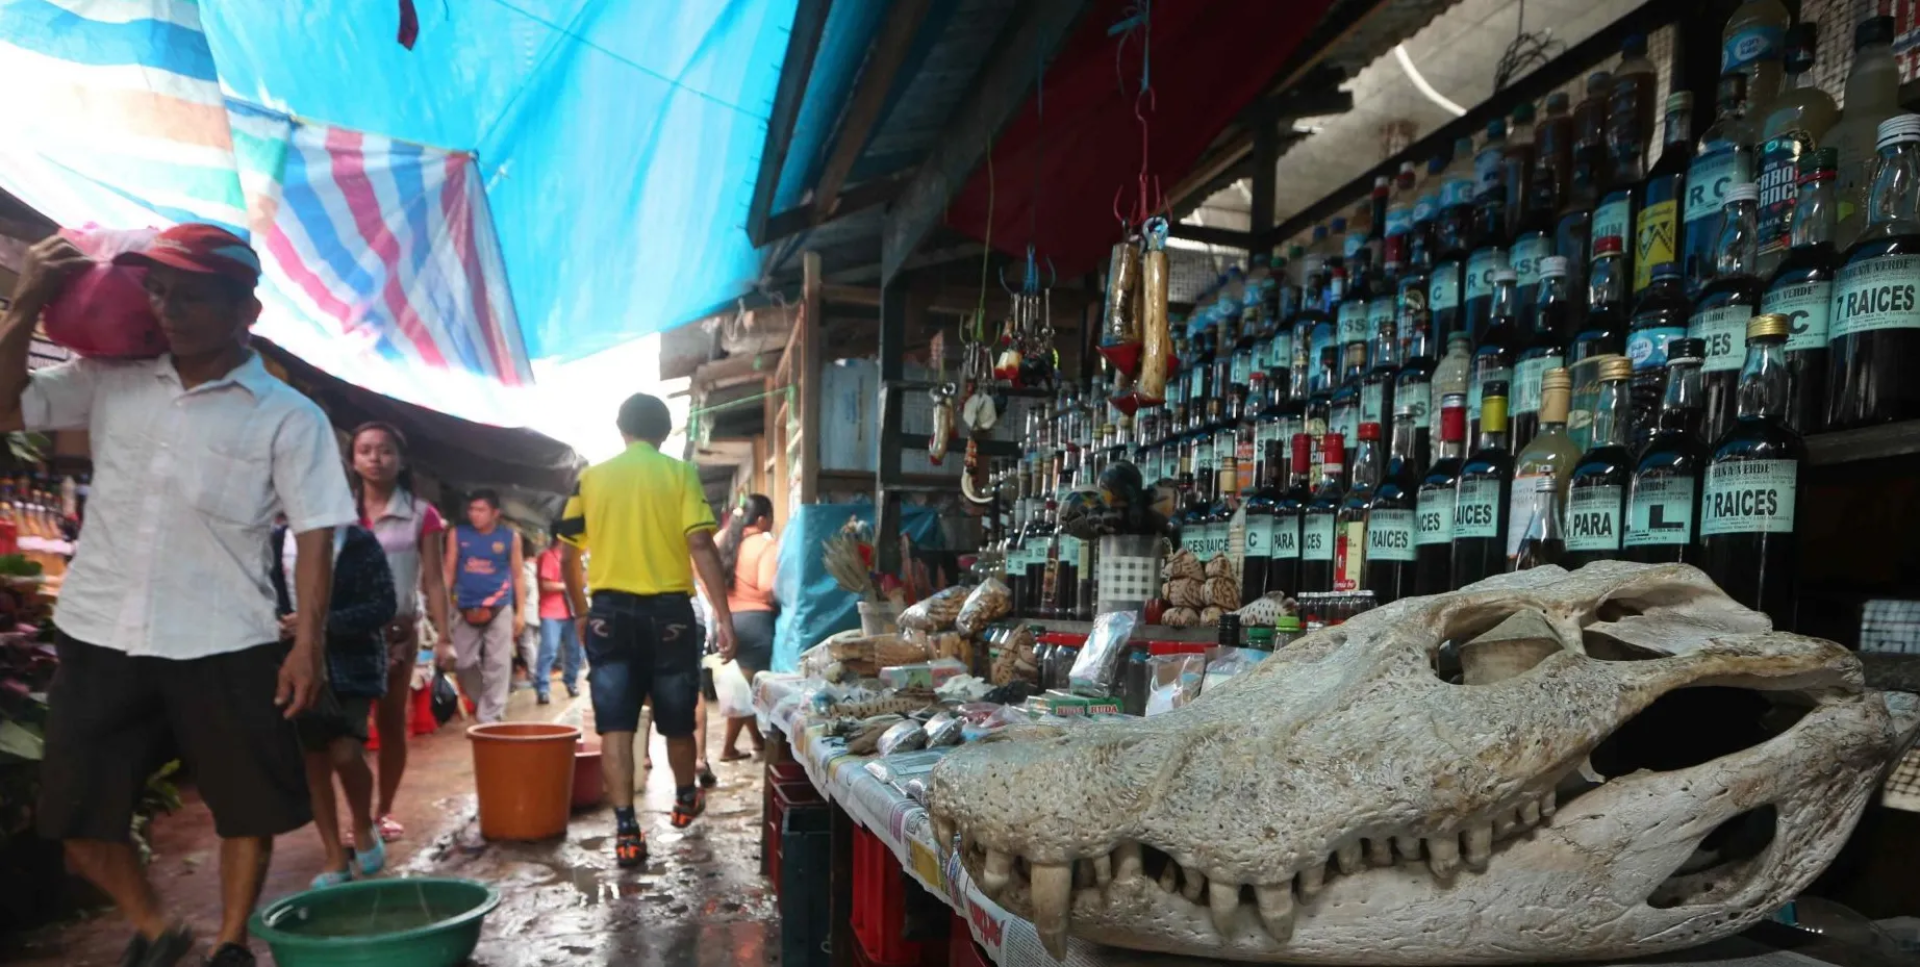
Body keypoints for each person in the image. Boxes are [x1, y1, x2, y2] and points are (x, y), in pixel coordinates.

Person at [2, 225, 358, 967]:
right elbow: (5, 409)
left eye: (191, 295)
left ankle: (230, 940)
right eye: (159, 291)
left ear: (246, 311)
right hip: (100, 628)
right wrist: (27, 301)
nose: (168, 309)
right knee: (73, 811)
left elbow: (319, 532)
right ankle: (158, 925)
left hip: (224, 634)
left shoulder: (289, 416)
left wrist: (308, 641)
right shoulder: (108, 377)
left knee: (244, 806)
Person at [557, 393, 734, 869]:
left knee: (615, 724)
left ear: (622, 430)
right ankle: (683, 796)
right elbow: (699, 542)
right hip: (670, 616)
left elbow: (568, 554)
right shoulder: (679, 474)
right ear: (664, 433)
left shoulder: (591, 480)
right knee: (678, 718)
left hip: (609, 615)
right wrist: (724, 615)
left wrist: (579, 611)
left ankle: (626, 830)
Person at [271, 519, 396, 888]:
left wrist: (321, 624)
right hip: (293, 664)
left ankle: (361, 823)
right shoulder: (275, 543)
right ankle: (333, 856)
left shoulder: (359, 543)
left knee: (346, 752)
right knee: (313, 761)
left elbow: (383, 604)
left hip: (353, 666)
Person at [347, 422, 451, 842]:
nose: (375, 458)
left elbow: (436, 580)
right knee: (348, 729)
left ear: (400, 459)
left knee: (391, 723)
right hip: (345, 631)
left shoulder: (420, 514)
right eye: (366, 450)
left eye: (385, 450)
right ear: (353, 460)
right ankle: (356, 815)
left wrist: (444, 636)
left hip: (398, 634)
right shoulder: (336, 510)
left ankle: (382, 812)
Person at [444, 490, 523, 723]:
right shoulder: (457, 534)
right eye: (471, 510)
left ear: (495, 513)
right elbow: (448, 571)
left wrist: (520, 613)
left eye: (481, 510)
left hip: (499, 606)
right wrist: (443, 606)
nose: (474, 515)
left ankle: (491, 716)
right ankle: (485, 703)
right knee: (461, 662)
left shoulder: (511, 537)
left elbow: (518, 575)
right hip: (465, 606)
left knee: (498, 663)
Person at [717, 494, 778, 760]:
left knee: (741, 686)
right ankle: (728, 748)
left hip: (726, 619)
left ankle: (757, 743)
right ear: (762, 519)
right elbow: (766, 587)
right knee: (746, 691)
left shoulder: (723, 539)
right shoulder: (764, 544)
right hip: (755, 622)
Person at [533, 536, 583, 704]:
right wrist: (570, 584)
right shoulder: (549, 556)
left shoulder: (576, 558)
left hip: (571, 611)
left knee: (575, 651)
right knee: (549, 650)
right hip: (551, 611)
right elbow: (546, 584)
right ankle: (542, 688)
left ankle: (571, 682)